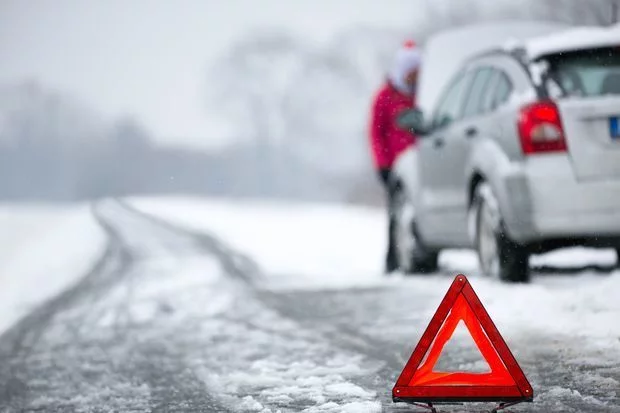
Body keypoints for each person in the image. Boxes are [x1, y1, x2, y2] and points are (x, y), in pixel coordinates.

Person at [368, 39, 421, 273]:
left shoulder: (421, 94)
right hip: (395, 167)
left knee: (418, 211)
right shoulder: (385, 96)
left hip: (420, 164)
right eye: (411, 72)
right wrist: (383, 165)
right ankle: (393, 260)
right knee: (396, 213)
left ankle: (419, 256)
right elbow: (376, 133)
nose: (414, 77)